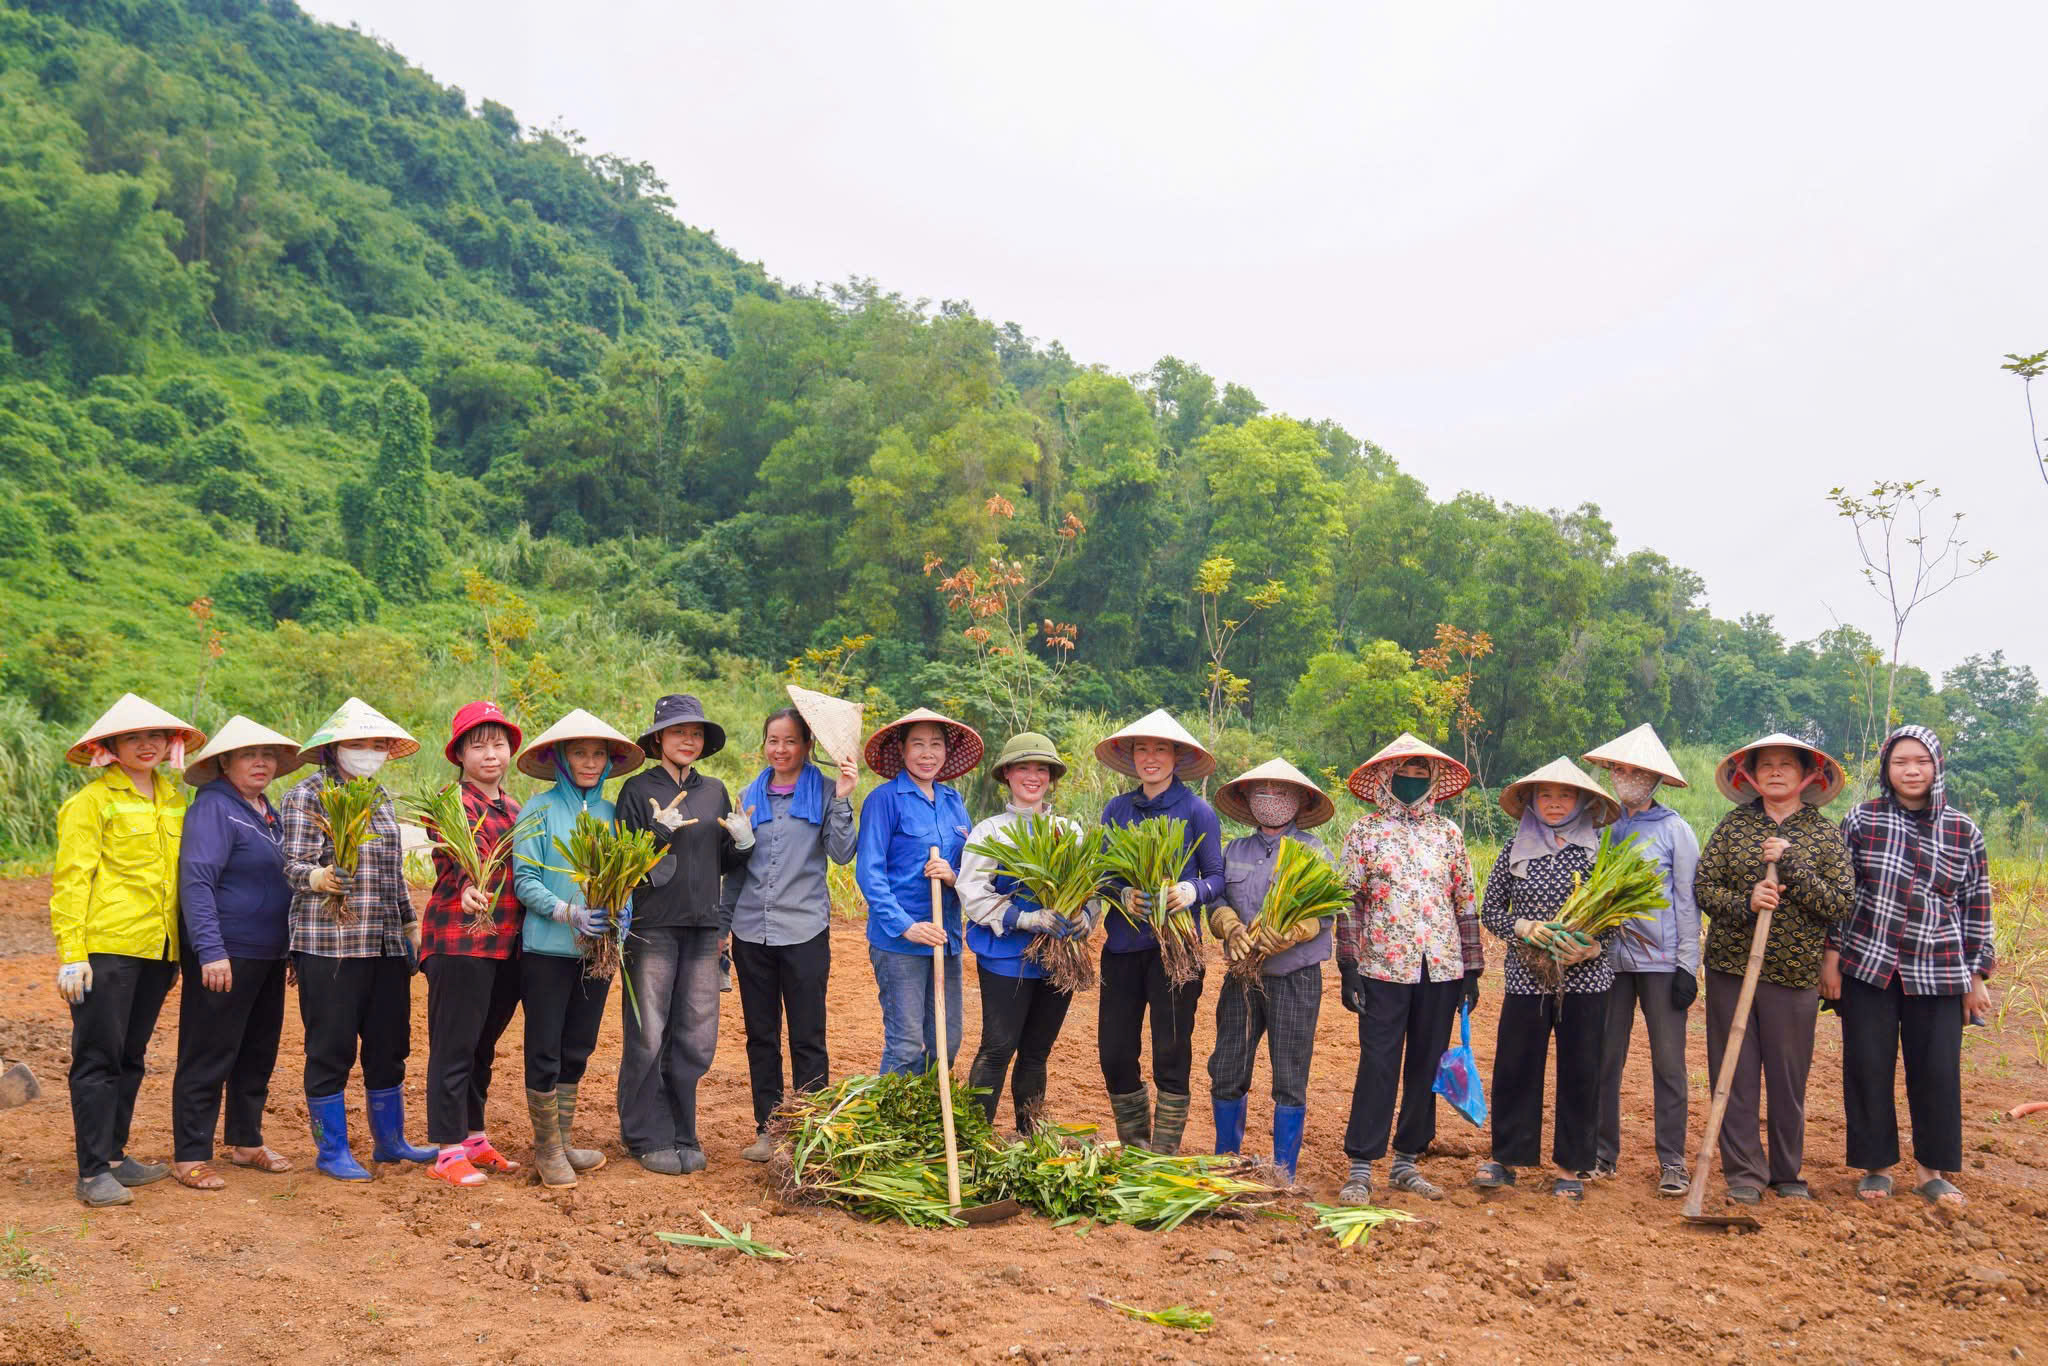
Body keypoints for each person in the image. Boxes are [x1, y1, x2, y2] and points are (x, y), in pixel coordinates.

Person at [51, 694, 205, 1207]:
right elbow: (72, 880)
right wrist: (73, 952)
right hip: (107, 948)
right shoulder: (90, 803)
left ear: (171, 744)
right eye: (134, 737)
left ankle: (115, 1156)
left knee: (132, 1055)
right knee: (97, 1058)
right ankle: (92, 1171)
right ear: (110, 747)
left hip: (158, 950)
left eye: (156, 736)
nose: (147, 745)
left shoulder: (175, 799)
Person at [1831, 725, 1994, 1209]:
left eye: (1921, 761)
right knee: (1867, 1065)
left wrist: (1976, 976)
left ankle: (1931, 1169)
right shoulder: (1862, 820)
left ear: (1937, 766)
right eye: (1901, 761)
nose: (1911, 770)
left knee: (1937, 1070)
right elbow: (1843, 896)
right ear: (1887, 768)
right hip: (1868, 964)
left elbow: (1976, 905)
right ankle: (1876, 1166)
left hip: (1940, 968)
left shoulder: (1963, 830)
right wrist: (1831, 959)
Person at [1694, 733, 1854, 1204]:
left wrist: (1793, 868)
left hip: (1794, 973)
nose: (1777, 772)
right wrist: (1747, 902)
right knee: (1735, 1073)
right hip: (1731, 968)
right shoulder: (1734, 827)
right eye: (1767, 766)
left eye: (1787, 765)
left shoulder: (1824, 834)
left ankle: (1787, 1173)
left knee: (1788, 1077)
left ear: (1809, 776)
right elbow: (1704, 888)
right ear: (1751, 776)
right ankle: (1744, 1173)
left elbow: (1840, 902)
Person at [280, 697, 437, 1181]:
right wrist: (318, 878)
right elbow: (291, 864)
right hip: (330, 943)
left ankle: (390, 1144)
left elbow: (393, 874)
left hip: (386, 942)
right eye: (357, 744)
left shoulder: (381, 797)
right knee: (330, 1046)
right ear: (332, 748)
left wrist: (410, 924)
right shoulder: (306, 795)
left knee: (389, 1045)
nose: (368, 752)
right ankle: (331, 1151)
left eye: (376, 745)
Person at [1333, 734, 1482, 1204]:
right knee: (1378, 1062)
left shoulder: (1449, 834)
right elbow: (1349, 902)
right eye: (1404, 774)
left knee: (1426, 1063)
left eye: (1421, 774)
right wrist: (1348, 965)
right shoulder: (1364, 833)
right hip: (1381, 967)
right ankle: (1361, 1165)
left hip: (1441, 968)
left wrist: (1473, 970)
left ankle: (1406, 1161)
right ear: (1384, 778)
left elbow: (1465, 901)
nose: (1412, 781)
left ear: (1435, 780)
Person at [613, 694, 754, 1175]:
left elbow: (726, 863)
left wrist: (743, 841)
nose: (687, 740)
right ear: (658, 739)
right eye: (678, 732)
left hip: (702, 926)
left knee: (694, 1036)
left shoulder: (715, 790)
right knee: (648, 1032)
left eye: (695, 733)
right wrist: (656, 832)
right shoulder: (636, 790)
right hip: (652, 926)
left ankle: (682, 1129)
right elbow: (625, 865)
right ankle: (644, 1133)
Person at [1476, 758, 1623, 1201]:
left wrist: (1592, 947)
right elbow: (1491, 911)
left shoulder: (1601, 851)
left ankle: (1570, 1167)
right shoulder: (1513, 848)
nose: (1555, 803)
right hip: (1526, 977)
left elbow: (1617, 916)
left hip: (1587, 979)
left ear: (1582, 801)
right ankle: (1506, 1158)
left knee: (1582, 1070)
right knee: (1516, 1066)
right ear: (1531, 802)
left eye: (1565, 795)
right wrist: (1523, 929)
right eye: (1545, 795)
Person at [170, 717, 305, 1191]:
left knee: (257, 1049)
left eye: (268, 755)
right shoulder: (214, 808)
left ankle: (246, 1141)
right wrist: (210, 950)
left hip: (267, 953)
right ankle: (190, 1153)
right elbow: (197, 882)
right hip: (225, 951)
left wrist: (289, 950)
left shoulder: (268, 812)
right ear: (225, 762)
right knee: (209, 1050)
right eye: (249, 754)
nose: (261, 763)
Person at [719, 706, 858, 1162]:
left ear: (807, 746)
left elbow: (840, 853)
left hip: (803, 931)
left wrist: (843, 797)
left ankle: (811, 1130)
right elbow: (738, 870)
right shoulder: (748, 795)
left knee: (807, 1035)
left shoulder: (822, 791)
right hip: (751, 933)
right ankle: (769, 1129)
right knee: (761, 1035)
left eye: (790, 741)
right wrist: (723, 928)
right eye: (773, 740)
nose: (780, 749)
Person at [512, 709, 644, 1187]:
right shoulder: (538, 810)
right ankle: (546, 1149)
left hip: (598, 953)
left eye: (597, 754)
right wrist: (568, 912)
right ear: (561, 759)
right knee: (544, 1047)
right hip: (548, 950)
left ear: (609, 763)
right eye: (579, 753)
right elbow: (524, 879)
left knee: (579, 1047)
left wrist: (619, 917)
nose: (589, 762)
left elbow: (625, 877)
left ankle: (564, 1139)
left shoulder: (612, 815)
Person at [1093, 709, 1224, 1155]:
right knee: (1114, 1051)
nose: (1151, 757)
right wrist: (1122, 894)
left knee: (1171, 1051)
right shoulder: (1117, 809)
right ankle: (1135, 1146)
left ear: (1176, 757)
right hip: (1124, 949)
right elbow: (1104, 874)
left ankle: (1163, 1153)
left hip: (1176, 951)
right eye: (1142, 749)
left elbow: (1217, 877)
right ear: (1131, 757)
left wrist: (1191, 891)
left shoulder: (1196, 811)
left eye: (1160, 749)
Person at [1205, 758, 1339, 1184]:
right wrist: (1225, 923)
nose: (1271, 799)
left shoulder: (1316, 852)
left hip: (1296, 976)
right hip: (1242, 975)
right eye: (1261, 790)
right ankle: (1228, 1163)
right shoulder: (1234, 851)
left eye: (1281, 791)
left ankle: (1283, 1172)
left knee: (1289, 1073)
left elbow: (1328, 911)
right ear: (1247, 798)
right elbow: (1215, 900)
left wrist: (1296, 931)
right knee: (1227, 1067)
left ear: (1301, 800)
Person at [959, 732, 1098, 1136]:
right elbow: (972, 893)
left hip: (1057, 960)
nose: (1032, 776)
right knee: (998, 1047)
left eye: (1041, 769)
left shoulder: (1068, 831)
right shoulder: (990, 832)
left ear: (1051, 777)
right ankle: (975, 1138)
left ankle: (1029, 1135)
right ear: (1007, 775)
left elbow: (1091, 888)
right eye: (1023, 768)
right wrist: (1026, 918)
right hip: (1006, 958)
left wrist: (1087, 917)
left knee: (1037, 1053)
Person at [1583, 724, 1700, 1197]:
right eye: (1618, 768)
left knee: (1669, 1063)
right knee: (1604, 1059)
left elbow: (1687, 902)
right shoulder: (1601, 828)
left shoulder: (1675, 830)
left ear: (1653, 779)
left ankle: (1672, 1160)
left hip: (1662, 964)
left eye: (1636, 770)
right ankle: (1601, 1153)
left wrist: (1688, 965)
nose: (1625, 776)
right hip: (1608, 962)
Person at [418, 701, 528, 1188]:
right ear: (459, 753)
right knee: (453, 1046)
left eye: (499, 744)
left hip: (506, 944)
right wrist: (467, 887)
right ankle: (446, 1149)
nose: (491, 755)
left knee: (483, 1047)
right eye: (478, 745)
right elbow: (457, 854)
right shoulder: (449, 803)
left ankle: (474, 1138)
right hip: (459, 940)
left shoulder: (517, 809)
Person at [855, 708, 982, 1077]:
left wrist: (952, 875)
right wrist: (906, 926)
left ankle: (924, 1118)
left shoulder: (953, 801)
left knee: (947, 1040)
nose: (928, 753)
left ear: (946, 751)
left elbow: (974, 869)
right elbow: (870, 872)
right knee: (907, 1044)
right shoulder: (884, 800)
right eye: (918, 744)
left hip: (947, 939)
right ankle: (892, 1127)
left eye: (936, 745)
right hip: (900, 943)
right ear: (902, 749)